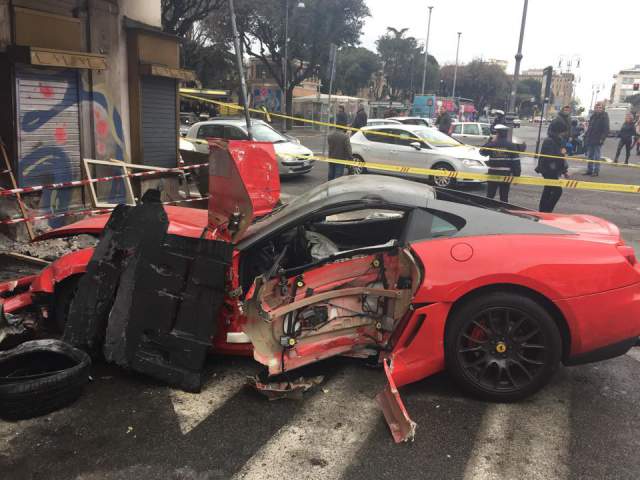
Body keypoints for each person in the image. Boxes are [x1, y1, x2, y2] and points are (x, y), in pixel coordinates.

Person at [479, 124, 523, 202]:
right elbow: (516, 162)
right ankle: (503, 211)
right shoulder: (511, 145)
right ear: (506, 134)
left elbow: (482, 152)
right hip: (506, 174)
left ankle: (488, 210)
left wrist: (490, 141)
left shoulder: (492, 144)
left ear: (497, 134)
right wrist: (516, 176)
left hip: (493, 173)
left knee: (490, 195)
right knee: (504, 197)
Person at [537, 130, 569, 213]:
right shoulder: (549, 141)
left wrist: (565, 170)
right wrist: (555, 166)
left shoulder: (561, 141)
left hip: (554, 169)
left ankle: (543, 210)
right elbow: (549, 157)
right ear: (558, 130)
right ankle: (547, 210)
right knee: (558, 191)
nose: (564, 133)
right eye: (563, 131)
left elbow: (563, 155)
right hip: (548, 169)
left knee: (548, 189)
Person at [583, 102, 609, 176]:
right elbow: (590, 127)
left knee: (597, 156)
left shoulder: (604, 116)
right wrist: (586, 135)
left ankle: (596, 171)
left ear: (602, 108)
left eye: (600, 107)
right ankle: (589, 170)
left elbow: (606, 129)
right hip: (591, 138)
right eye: (597, 107)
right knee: (590, 155)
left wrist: (602, 139)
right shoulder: (593, 116)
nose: (598, 109)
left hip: (598, 139)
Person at [327, 115, 352, 181]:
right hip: (340, 159)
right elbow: (348, 149)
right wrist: (350, 158)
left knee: (330, 176)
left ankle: (328, 188)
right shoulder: (345, 137)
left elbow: (330, 146)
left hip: (331, 158)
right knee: (337, 178)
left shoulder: (330, 135)